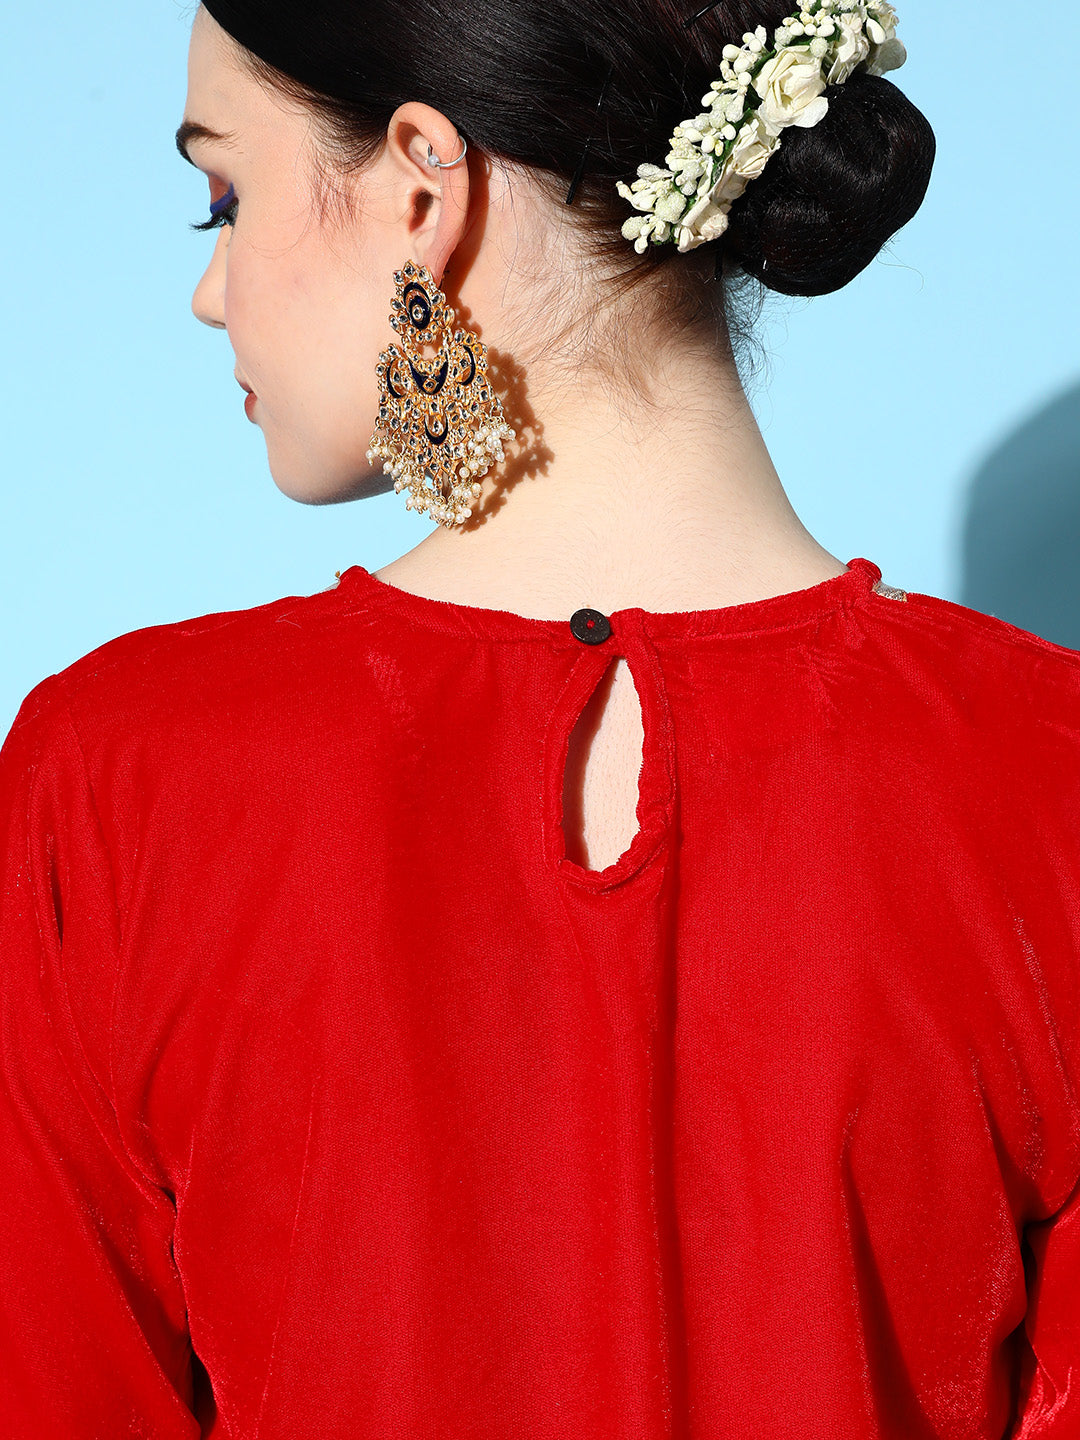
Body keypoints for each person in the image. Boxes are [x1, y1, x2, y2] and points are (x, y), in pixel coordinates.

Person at [2, 1, 1078, 1435]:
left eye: (226, 199)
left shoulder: (116, 780)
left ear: (422, 185)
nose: (212, 292)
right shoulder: (1044, 768)